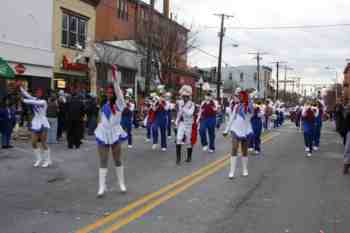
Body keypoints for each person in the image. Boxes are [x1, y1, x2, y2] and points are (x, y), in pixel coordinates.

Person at [94, 65, 128, 197]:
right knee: (103, 160)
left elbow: (118, 90)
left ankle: (121, 183)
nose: (109, 94)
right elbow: (100, 119)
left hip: (114, 133)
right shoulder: (104, 105)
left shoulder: (120, 103)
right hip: (103, 133)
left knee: (117, 159)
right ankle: (102, 186)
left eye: (111, 92)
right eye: (107, 92)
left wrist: (114, 77)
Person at [19, 85, 51, 168]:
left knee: (43, 143)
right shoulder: (34, 99)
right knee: (33, 142)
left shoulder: (44, 101)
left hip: (43, 123)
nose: (38, 93)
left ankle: (47, 160)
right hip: (36, 123)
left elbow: (33, 102)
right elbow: (27, 95)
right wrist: (20, 88)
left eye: (40, 92)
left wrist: (24, 100)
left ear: (42, 94)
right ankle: (39, 159)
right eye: (37, 92)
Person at [224, 89, 253, 178]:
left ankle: (244, 169)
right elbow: (232, 118)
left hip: (246, 130)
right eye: (238, 96)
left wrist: (248, 103)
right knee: (234, 148)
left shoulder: (249, 107)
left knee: (244, 151)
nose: (239, 98)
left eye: (241, 96)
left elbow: (250, 115)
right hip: (235, 129)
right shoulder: (236, 107)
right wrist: (226, 130)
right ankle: (231, 171)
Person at [175, 86, 195, 165]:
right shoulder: (181, 103)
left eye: (186, 96)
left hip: (189, 124)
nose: (184, 98)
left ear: (189, 97)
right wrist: (176, 121)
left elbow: (190, 113)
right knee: (178, 139)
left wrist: (184, 108)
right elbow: (179, 113)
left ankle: (189, 157)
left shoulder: (192, 104)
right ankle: (178, 158)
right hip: (182, 123)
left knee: (188, 141)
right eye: (183, 96)